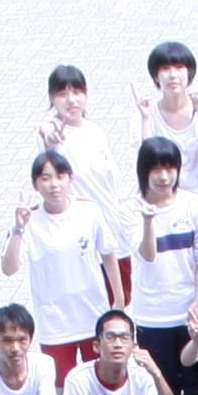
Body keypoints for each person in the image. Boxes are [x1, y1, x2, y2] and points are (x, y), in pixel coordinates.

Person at [3, 148, 121, 380]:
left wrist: (117, 300)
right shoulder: (29, 220)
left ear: (70, 179)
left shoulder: (89, 210)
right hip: (55, 324)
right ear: (35, 184)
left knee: (101, 380)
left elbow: (108, 254)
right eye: (46, 178)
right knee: (61, 386)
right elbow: (9, 268)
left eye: (60, 176)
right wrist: (18, 229)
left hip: (93, 315)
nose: (54, 184)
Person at [126, 135, 198, 395]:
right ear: (144, 171)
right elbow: (147, 255)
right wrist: (148, 221)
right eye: (156, 169)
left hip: (191, 312)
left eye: (170, 168)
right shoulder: (131, 209)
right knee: (163, 388)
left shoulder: (193, 204)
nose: (164, 177)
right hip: (153, 316)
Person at [34, 61, 135, 252]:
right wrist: (50, 139)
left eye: (77, 92)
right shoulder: (52, 130)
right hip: (78, 234)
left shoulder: (96, 132)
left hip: (112, 226)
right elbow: (47, 137)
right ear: (52, 98)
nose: (71, 100)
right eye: (62, 94)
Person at [133, 39, 198, 203]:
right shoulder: (144, 114)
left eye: (179, 67)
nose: (173, 75)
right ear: (156, 76)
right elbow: (148, 165)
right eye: (165, 69)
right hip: (161, 201)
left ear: (189, 72)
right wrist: (146, 119)